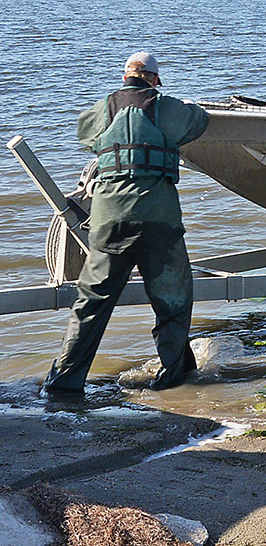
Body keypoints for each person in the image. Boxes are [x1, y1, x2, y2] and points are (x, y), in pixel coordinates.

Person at [42, 52, 209, 397]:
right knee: (172, 301)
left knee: (91, 304)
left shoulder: (102, 109)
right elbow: (199, 121)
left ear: (124, 78)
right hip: (158, 223)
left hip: (109, 223)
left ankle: (62, 384)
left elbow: (84, 131)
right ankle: (174, 376)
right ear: (154, 80)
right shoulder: (165, 107)